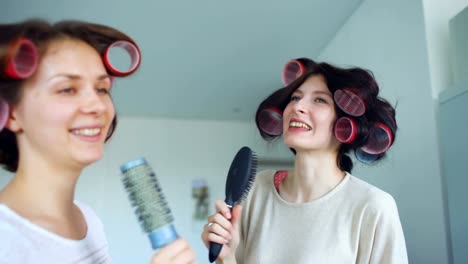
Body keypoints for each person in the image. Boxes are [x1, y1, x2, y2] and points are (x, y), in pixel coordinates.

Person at [0, 19, 196, 264]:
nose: (97, 105)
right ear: (12, 113)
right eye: (67, 89)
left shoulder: (88, 221)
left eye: (101, 89)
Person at [201, 59, 408, 263]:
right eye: (295, 97)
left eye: (320, 100)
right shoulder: (256, 191)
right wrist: (226, 258)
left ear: (345, 124)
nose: (297, 105)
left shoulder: (373, 206)